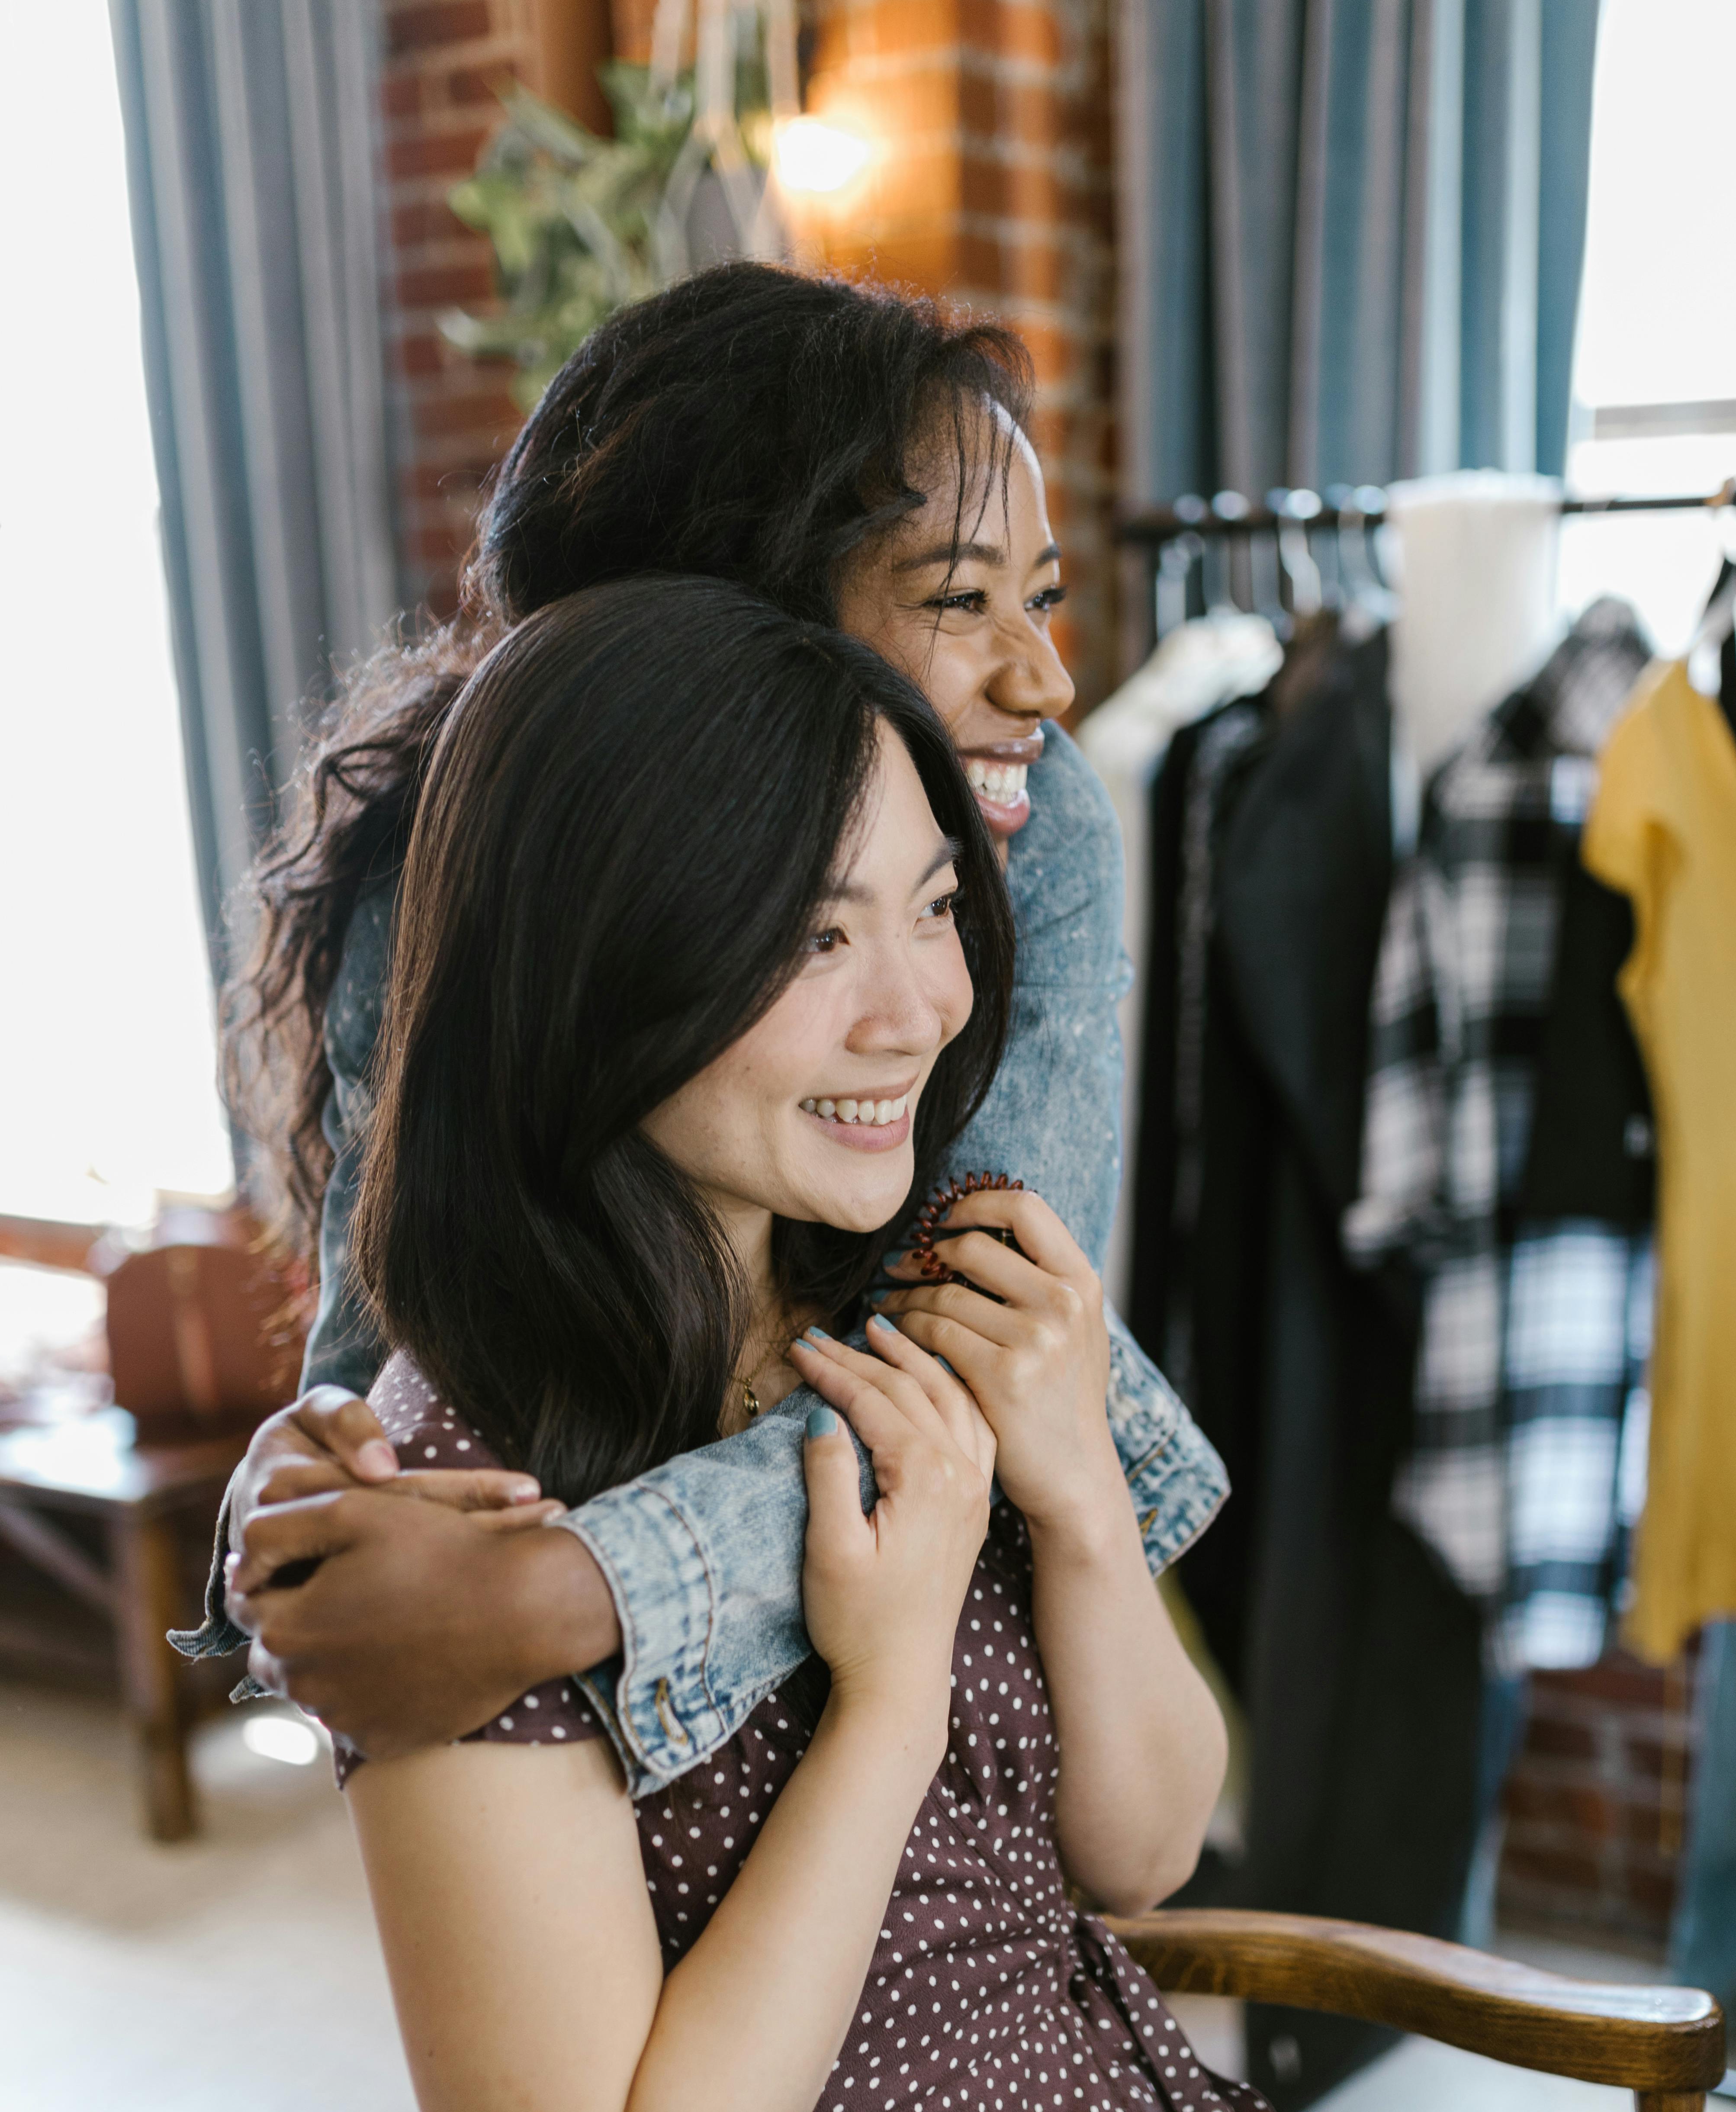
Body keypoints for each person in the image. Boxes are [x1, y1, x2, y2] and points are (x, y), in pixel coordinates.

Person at [241, 575, 1736, 2112]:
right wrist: (888, 1695)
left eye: (933, 909)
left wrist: (1080, 1507)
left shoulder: (916, 1279)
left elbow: (1145, 1846)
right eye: (812, 936)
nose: (918, 1007)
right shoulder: (466, 1508)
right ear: (601, 969)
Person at [189, 263, 1223, 1780]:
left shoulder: (1027, 813)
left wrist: (573, 1594)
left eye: (1044, 597)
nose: (1049, 678)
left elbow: (967, 1347)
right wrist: (308, 1483)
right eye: (959, 601)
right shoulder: (447, 844)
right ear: (728, 636)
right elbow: (390, 1297)